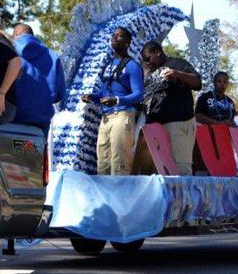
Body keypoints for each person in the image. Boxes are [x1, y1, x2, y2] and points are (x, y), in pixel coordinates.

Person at [81, 27, 144, 176]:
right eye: (114, 35)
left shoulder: (132, 66)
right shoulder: (108, 66)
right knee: (102, 164)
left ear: (128, 43)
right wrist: (92, 97)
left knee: (119, 164)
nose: (115, 38)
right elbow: (104, 92)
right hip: (105, 118)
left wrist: (117, 100)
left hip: (122, 116)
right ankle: (105, 199)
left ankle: (120, 198)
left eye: (120, 36)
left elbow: (139, 94)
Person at [141, 41, 202, 175]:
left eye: (148, 58)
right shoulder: (149, 74)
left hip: (178, 122)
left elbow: (197, 82)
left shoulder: (177, 63)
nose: (147, 62)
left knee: (180, 167)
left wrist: (177, 74)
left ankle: (183, 197)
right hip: (155, 125)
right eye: (144, 60)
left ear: (158, 52)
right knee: (160, 170)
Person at [11, 23, 65, 133]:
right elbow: (60, 94)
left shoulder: (9, 53)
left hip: (13, 119)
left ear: (15, 35)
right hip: (41, 123)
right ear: (32, 35)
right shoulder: (53, 56)